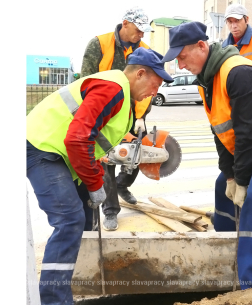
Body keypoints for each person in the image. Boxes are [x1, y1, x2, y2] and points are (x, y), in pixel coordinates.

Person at [26, 48, 173, 304]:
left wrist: (96, 176)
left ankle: (72, 283)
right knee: (70, 219)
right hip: (41, 147)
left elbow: (95, 139)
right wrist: (95, 183)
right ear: (140, 73)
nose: (154, 91)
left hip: (59, 152)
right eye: (155, 83)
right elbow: (77, 138)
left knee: (83, 219)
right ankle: (54, 299)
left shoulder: (122, 96)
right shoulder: (112, 89)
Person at [162, 22, 252, 291]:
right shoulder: (207, 79)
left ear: (201, 46)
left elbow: (249, 133)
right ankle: (226, 251)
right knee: (222, 186)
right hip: (249, 137)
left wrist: (243, 181)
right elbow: (221, 131)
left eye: (183, 57)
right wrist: (232, 176)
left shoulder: (238, 72)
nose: (181, 65)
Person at [81, 7, 155, 230]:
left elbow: (148, 85)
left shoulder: (145, 50)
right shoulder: (99, 44)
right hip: (104, 113)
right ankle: (111, 210)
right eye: (138, 30)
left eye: (144, 31)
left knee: (136, 155)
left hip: (132, 113)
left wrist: (140, 117)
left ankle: (123, 185)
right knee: (107, 162)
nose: (141, 35)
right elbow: (85, 81)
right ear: (125, 24)